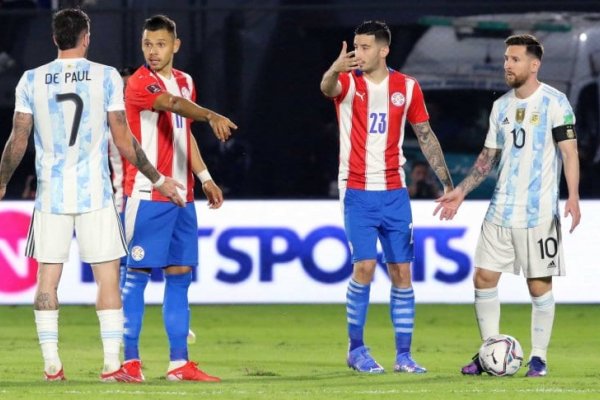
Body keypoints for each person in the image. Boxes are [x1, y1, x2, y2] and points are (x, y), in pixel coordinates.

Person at [0, 8, 184, 382]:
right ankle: (111, 364)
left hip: (51, 195)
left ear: (55, 39)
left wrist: (1, 180)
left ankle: (52, 364)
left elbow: (18, 139)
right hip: (95, 195)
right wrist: (158, 177)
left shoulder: (31, 80)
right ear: (86, 37)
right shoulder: (105, 77)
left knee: (46, 282)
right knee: (108, 280)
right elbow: (123, 139)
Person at [434, 34, 581, 377]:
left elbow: (569, 152)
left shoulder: (555, 102)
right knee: (484, 278)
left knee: (538, 285)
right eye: (506, 59)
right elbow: (489, 157)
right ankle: (488, 353)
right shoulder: (500, 106)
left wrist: (572, 195)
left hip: (538, 211)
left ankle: (539, 357)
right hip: (500, 208)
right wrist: (462, 191)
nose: (507, 65)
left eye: (514, 59)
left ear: (534, 64)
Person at [320, 20, 453, 374]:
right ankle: (356, 348)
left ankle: (404, 355)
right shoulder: (348, 82)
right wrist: (335, 66)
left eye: (364, 47)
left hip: (395, 191)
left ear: (383, 50)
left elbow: (424, 134)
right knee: (363, 266)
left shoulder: (406, 87)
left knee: (401, 272)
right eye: (354, 47)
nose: (357, 54)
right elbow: (326, 87)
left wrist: (446, 182)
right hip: (357, 189)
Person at [120, 14, 236, 382]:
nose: (152, 51)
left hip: (182, 198)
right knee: (136, 276)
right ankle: (130, 362)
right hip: (147, 193)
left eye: (159, 44)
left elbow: (184, 135)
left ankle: (178, 363)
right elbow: (172, 105)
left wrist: (205, 177)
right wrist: (211, 114)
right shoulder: (139, 83)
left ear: (175, 45)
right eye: (147, 45)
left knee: (180, 275)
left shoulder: (187, 81)